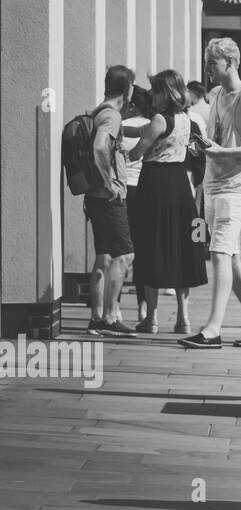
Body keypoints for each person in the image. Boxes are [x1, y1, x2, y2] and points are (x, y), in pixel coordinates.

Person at [180, 38, 241, 349]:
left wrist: (224, 151)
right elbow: (215, 136)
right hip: (212, 182)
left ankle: (212, 329)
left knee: (219, 252)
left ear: (230, 63)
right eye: (207, 63)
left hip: (235, 188)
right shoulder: (216, 94)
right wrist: (204, 146)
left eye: (212, 63)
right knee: (228, 256)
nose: (208, 69)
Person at [128, 71, 208, 332]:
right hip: (179, 185)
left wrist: (123, 147)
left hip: (155, 185)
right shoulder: (187, 119)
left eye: (156, 90)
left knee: (151, 245)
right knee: (180, 247)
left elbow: (138, 152)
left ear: (166, 92)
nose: (152, 94)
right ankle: (183, 318)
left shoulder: (160, 119)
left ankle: (151, 318)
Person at [84, 66, 138, 338]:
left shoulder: (98, 111)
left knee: (104, 257)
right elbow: (99, 147)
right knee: (125, 254)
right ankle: (108, 317)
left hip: (94, 198)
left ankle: (96, 319)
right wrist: (109, 183)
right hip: (108, 198)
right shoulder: (112, 115)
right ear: (127, 89)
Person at [121, 85, 152, 327]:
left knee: (121, 249)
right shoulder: (153, 125)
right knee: (141, 250)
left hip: (124, 190)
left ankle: (116, 305)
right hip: (144, 190)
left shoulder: (121, 126)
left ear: (132, 104)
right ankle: (143, 305)